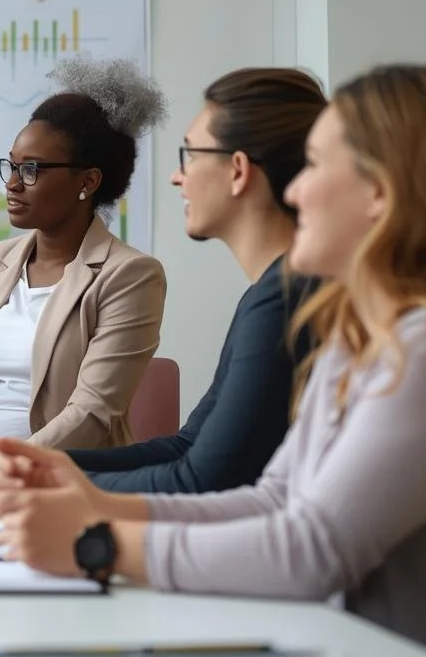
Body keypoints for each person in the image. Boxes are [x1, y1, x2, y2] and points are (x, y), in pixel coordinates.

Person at [0, 65, 426, 657]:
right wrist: (93, 501)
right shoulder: (358, 332)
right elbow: (276, 499)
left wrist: (95, 543)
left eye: (314, 167)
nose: (293, 191)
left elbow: (313, 548)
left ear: (380, 192)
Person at [0, 56, 167, 497]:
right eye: (12, 166)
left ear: (88, 181)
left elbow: (92, 413)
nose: (12, 184)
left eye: (32, 170)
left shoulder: (131, 275)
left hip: (68, 490)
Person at [68, 68, 324, 494]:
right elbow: (190, 445)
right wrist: (50, 463)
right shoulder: (270, 291)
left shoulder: (286, 296)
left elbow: (205, 478)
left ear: (238, 170)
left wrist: (52, 482)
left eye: (189, 155)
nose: (176, 176)